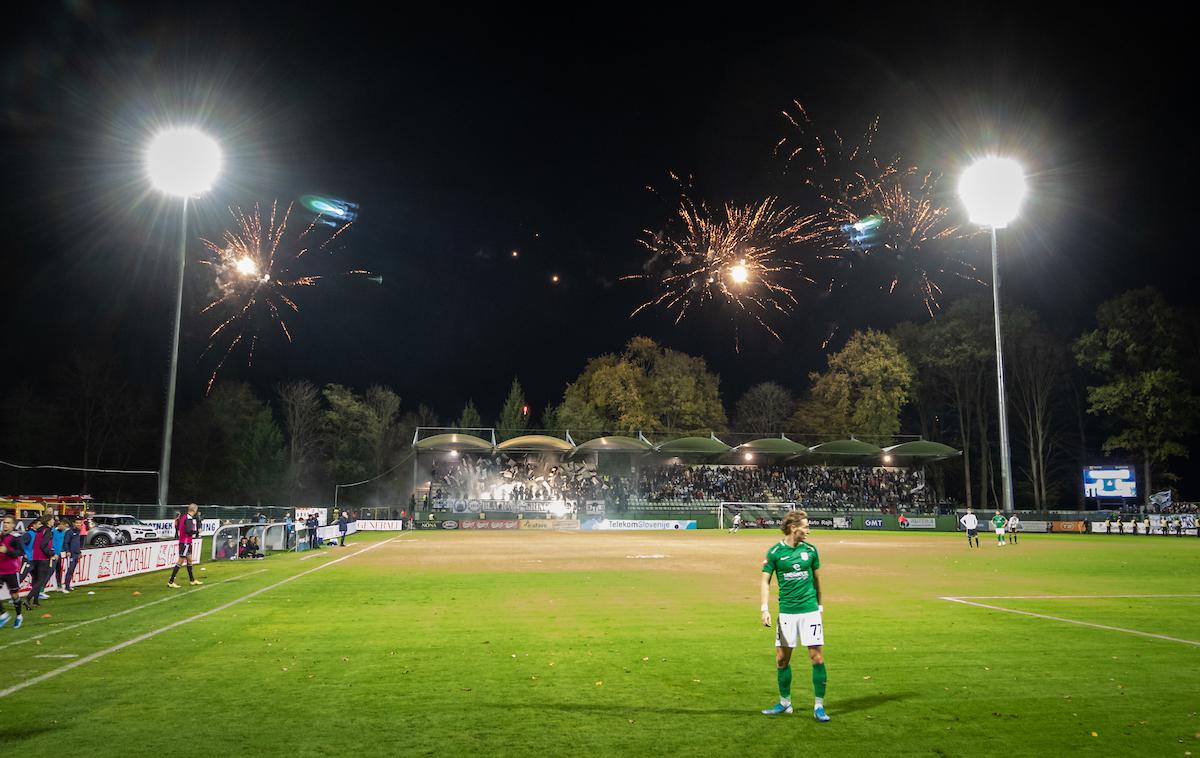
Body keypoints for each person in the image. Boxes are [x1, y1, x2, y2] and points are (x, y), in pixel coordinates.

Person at [760, 510, 830, 723]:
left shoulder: (811, 551)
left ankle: (819, 705)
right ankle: (784, 703)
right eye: (806, 527)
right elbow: (765, 581)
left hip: (809, 612)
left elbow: (817, 581)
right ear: (793, 528)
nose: (808, 530)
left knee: (816, 657)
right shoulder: (774, 552)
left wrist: (819, 607)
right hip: (787, 614)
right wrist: (764, 609)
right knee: (782, 659)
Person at [1, 515, 26, 629]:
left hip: (11, 571)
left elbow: (20, 552)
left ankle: (19, 616)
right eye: (4, 522)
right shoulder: (1, 536)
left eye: (8, 522)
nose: (5, 524)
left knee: (14, 595)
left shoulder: (16, 537)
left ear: (13, 525)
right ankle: (3, 615)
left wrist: (7, 551)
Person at [168, 504, 202, 588]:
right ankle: (171, 581)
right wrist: (197, 532)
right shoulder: (189, 518)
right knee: (180, 561)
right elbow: (188, 531)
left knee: (189, 560)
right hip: (185, 542)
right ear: (194, 510)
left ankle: (192, 580)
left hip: (186, 542)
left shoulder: (184, 517)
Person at [26, 517, 55, 608]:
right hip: (43, 559)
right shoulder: (47, 531)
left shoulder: (38, 531)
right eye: (52, 519)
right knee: (40, 580)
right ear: (48, 521)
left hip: (35, 558)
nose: (54, 521)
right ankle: (28, 598)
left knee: (36, 580)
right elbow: (43, 545)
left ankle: (35, 601)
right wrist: (51, 553)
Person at [61, 518, 82, 593]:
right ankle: (66, 586)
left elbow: (77, 543)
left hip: (76, 553)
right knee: (69, 570)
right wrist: (67, 551)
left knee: (72, 570)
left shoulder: (78, 531)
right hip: (71, 554)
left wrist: (79, 552)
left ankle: (68, 585)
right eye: (77, 523)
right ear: (74, 524)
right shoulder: (69, 532)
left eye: (80, 523)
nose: (78, 524)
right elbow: (66, 542)